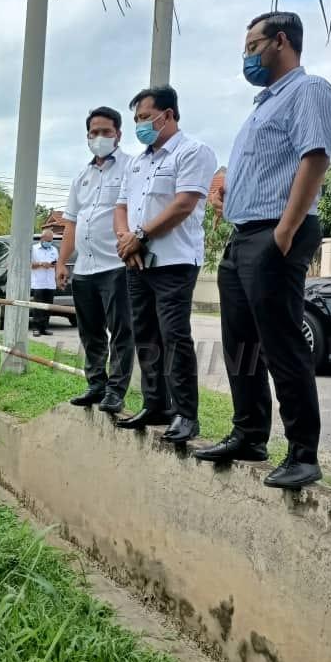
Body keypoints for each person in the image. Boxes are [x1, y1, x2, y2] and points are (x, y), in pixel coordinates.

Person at [194, 11, 331, 490]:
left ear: (280, 41)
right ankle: (249, 433)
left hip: (275, 233)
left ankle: (302, 453)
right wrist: (226, 184)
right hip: (243, 235)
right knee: (242, 345)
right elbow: (265, 165)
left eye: (252, 45)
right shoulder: (262, 105)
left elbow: (313, 156)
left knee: (281, 343)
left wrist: (285, 230)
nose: (247, 54)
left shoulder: (308, 90)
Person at [113, 86, 217, 444]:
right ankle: (155, 404)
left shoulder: (192, 152)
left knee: (174, 337)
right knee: (144, 333)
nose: (141, 125)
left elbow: (184, 204)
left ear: (168, 114)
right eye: (137, 119)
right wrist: (127, 241)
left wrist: (139, 235)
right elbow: (121, 206)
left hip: (174, 261)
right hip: (137, 261)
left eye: (145, 117)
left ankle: (186, 414)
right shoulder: (138, 162)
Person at [57, 106, 134, 414]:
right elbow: (71, 223)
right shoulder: (82, 177)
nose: (99, 137)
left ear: (118, 134)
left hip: (116, 265)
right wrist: (62, 262)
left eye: (106, 132)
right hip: (85, 268)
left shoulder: (132, 167)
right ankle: (95, 384)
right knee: (89, 331)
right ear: (87, 136)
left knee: (121, 331)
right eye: (94, 133)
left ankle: (116, 390)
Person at [30, 228, 58, 336]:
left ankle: (45, 327)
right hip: (38, 283)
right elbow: (30, 265)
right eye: (47, 240)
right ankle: (36, 328)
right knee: (38, 306)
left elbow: (57, 263)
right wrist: (41, 264)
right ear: (42, 239)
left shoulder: (54, 250)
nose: (49, 242)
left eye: (51, 240)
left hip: (50, 283)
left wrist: (53, 264)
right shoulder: (34, 249)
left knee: (48, 307)